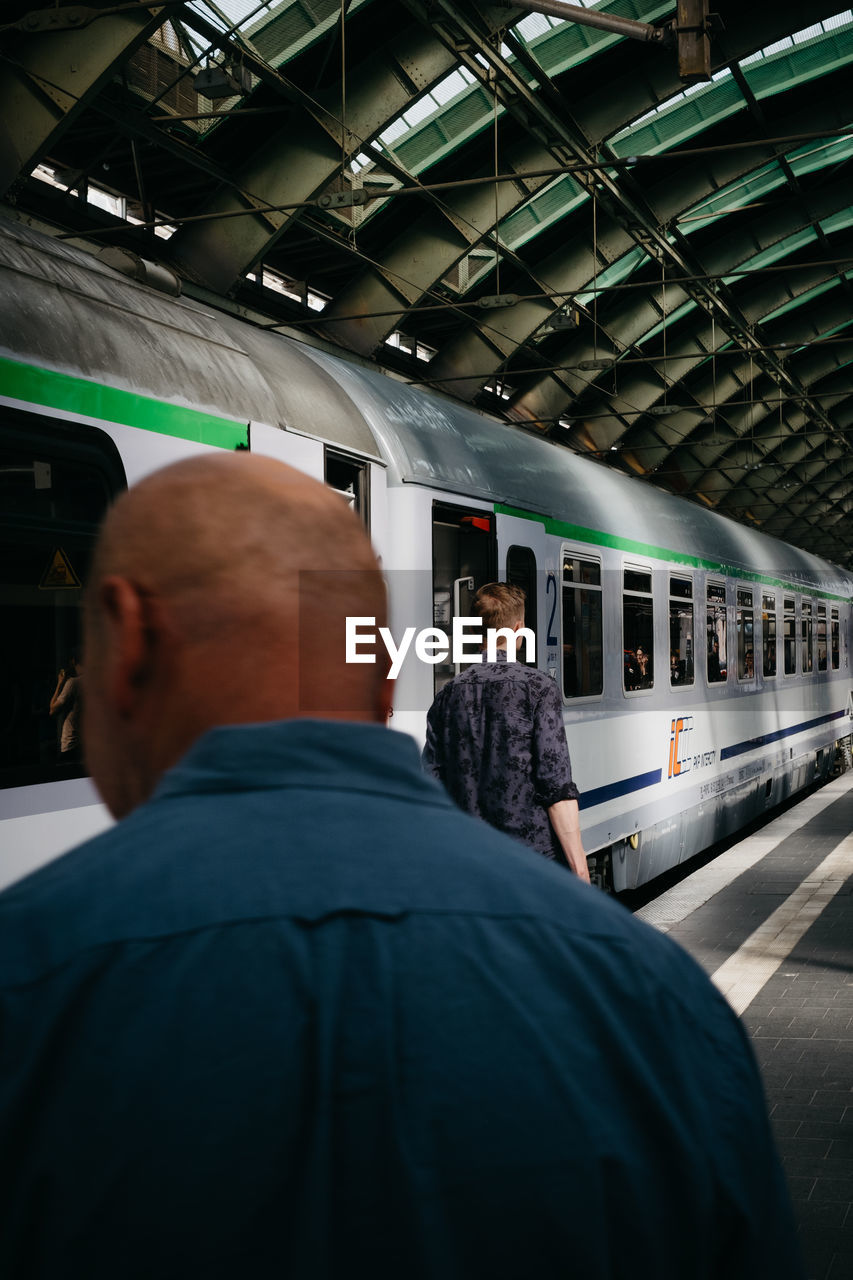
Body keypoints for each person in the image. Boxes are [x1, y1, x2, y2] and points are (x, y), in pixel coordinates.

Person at [0, 454, 802, 1279]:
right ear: (383, 686)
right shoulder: (652, 1002)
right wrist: (574, 877)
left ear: (125, 647)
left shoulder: (29, 982)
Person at [422, 582, 590, 881]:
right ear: (518, 628)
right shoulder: (538, 689)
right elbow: (556, 787)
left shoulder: (447, 694)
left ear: (476, 632)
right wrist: (579, 869)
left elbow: (431, 782)